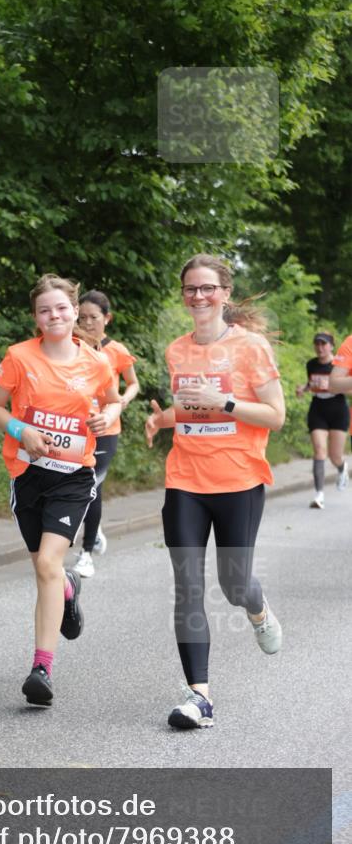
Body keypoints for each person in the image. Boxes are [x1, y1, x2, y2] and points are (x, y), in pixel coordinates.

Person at [145, 253, 285, 729]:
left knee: (233, 585)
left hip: (239, 480)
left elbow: (275, 415)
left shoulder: (251, 347)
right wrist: (162, 417)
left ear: (225, 292)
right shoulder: (176, 350)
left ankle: (258, 608)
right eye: (190, 289)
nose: (199, 296)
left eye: (208, 288)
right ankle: (198, 697)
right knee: (187, 586)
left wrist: (224, 401)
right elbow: (190, 411)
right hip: (185, 478)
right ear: (183, 296)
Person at [0, 274, 122, 706]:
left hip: (72, 478)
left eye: (61, 308)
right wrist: (20, 430)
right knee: (44, 569)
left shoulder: (97, 362)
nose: (55, 316)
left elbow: (114, 398)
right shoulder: (19, 357)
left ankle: (41, 667)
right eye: (45, 310)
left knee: (46, 562)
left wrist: (105, 418)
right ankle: (67, 587)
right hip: (27, 475)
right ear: (36, 318)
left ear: (74, 310)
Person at [71, 291, 140, 577]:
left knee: (91, 485)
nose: (88, 323)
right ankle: (94, 529)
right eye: (82, 317)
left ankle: (86, 553)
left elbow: (133, 383)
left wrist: (121, 401)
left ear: (107, 319)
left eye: (94, 318)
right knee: (79, 486)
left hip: (107, 429)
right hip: (75, 429)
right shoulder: (70, 347)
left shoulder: (117, 351)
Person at [296, 332, 350, 508]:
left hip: (338, 409)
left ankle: (342, 468)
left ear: (331, 346)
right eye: (317, 344)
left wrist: (336, 388)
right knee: (319, 450)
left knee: (335, 456)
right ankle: (319, 495)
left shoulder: (341, 366)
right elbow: (311, 382)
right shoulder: (311, 364)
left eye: (323, 344)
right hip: (318, 409)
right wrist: (303, 389)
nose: (320, 347)